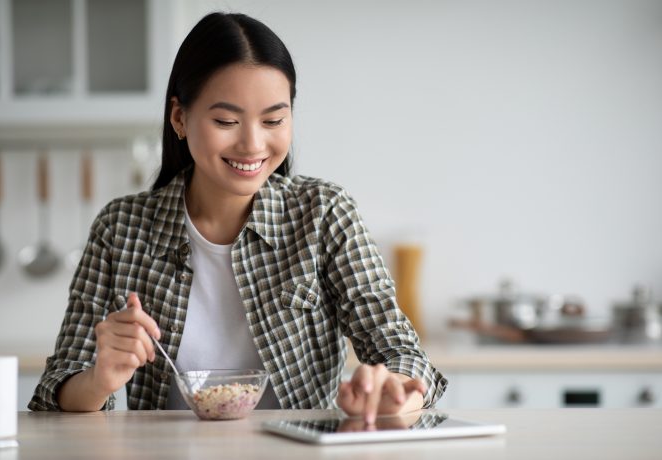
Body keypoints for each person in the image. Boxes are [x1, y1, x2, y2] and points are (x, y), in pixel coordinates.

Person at [29, 12, 447, 423]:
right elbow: (56, 389)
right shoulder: (121, 228)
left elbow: (403, 355)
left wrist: (393, 396)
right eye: (226, 121)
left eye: (274, 120)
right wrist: (100, 380)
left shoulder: (323, 213)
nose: (252, 144)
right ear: (179, 117)